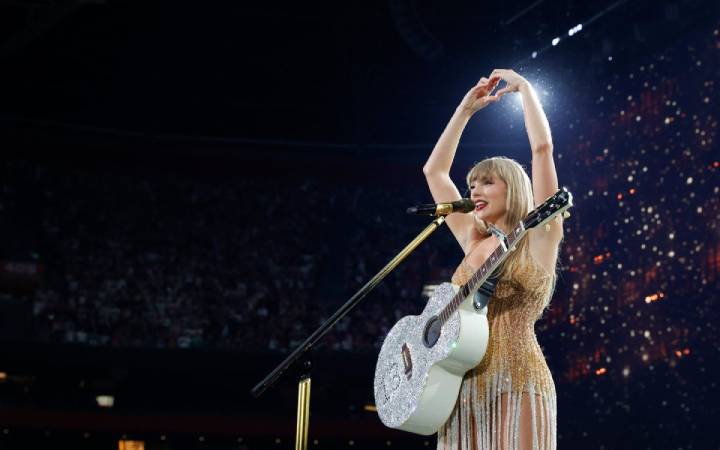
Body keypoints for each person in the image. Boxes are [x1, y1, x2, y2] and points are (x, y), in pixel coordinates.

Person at [423, 69, 563, 450]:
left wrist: (527, 90)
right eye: (471, 184)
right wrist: (465, 110)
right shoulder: (472, 237)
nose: (474, 190)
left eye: (487, 182)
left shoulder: (539, 236)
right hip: (461, 382)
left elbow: (542, 151)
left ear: (512, 189)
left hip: (517, 378)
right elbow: (434, 171)